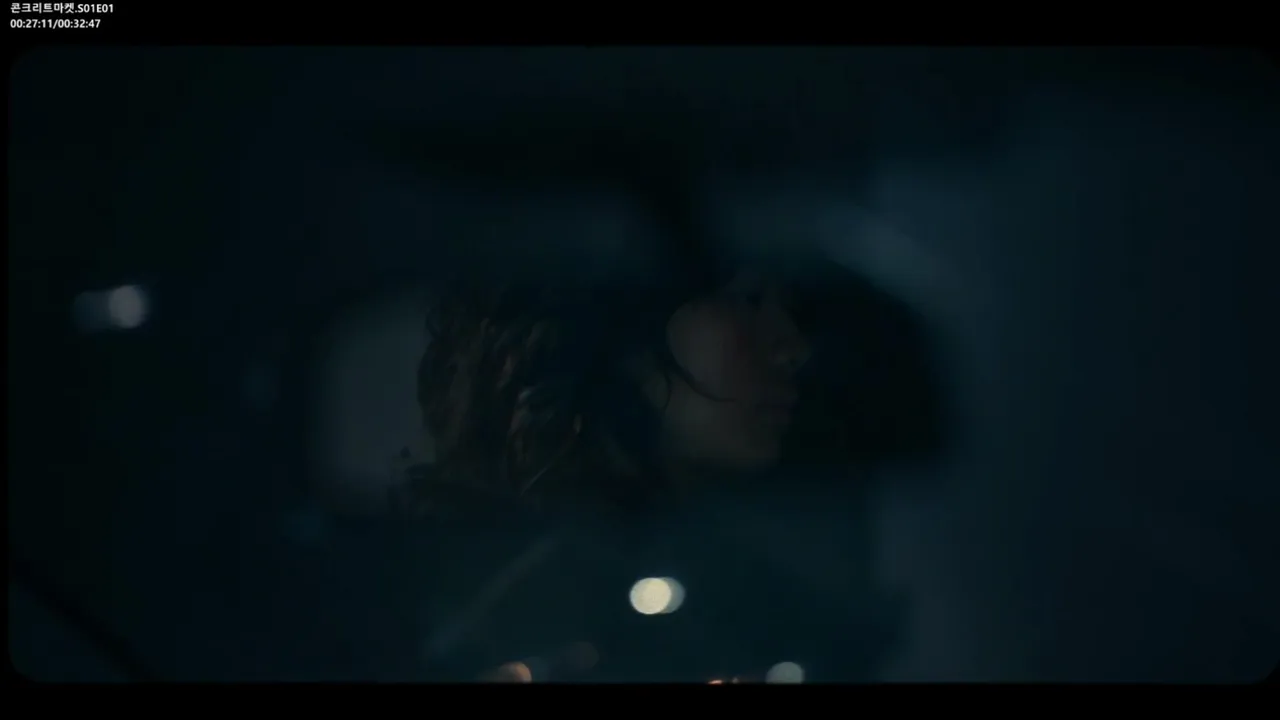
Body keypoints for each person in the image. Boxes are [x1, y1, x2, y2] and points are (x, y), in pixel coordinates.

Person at [396, 195, 946, 682]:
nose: (792, 349)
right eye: (745, 300)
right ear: (625, 335)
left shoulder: (734, 581)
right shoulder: (514, 603)